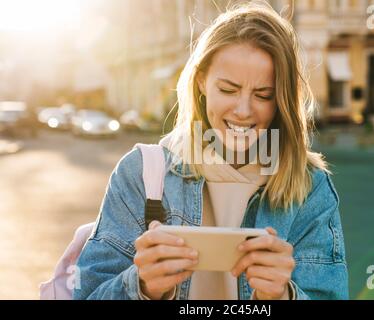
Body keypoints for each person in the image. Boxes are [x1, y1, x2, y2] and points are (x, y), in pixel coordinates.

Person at [74, 2, 348, 300]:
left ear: (281, 98)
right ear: (202, 81)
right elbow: (86, 293)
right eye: (228, 90)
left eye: (263, 95)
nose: (243, 110)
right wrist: (141, 286)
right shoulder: (140, 173)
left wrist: (283, 296)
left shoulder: (310, 189)